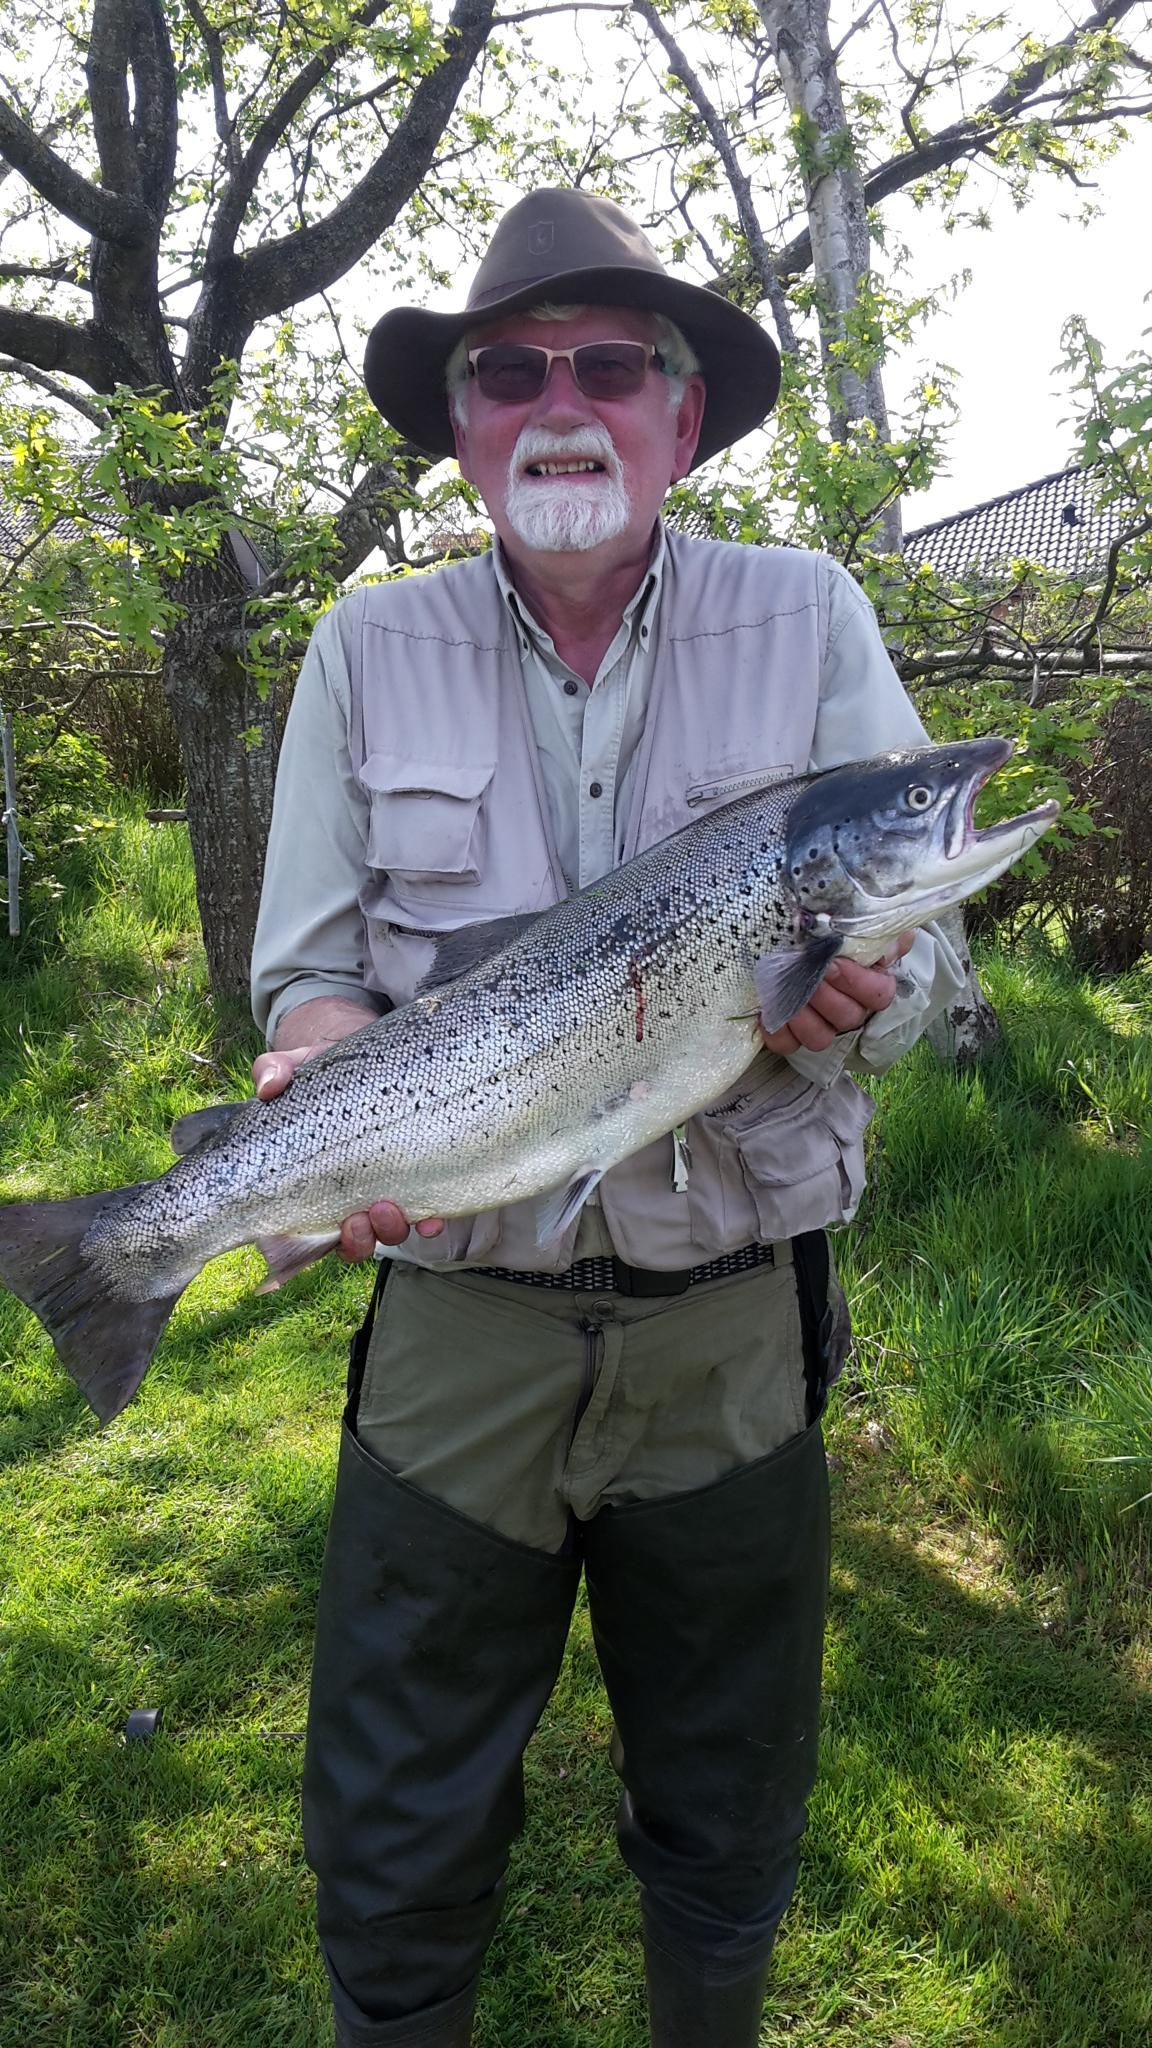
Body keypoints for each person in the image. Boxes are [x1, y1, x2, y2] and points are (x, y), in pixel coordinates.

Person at [250, 189, 965, 2048]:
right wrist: (309, 1092)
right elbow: (308, 981)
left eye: (610, 366)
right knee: (395, 1821)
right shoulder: (361, 648)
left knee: (727, 1810)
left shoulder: (808, 614)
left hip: (730, 1333)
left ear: (684, 416)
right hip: (455, 1328)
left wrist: (855, 1009)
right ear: (466, 425)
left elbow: (938, 984)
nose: (560, 402)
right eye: (509, 371)